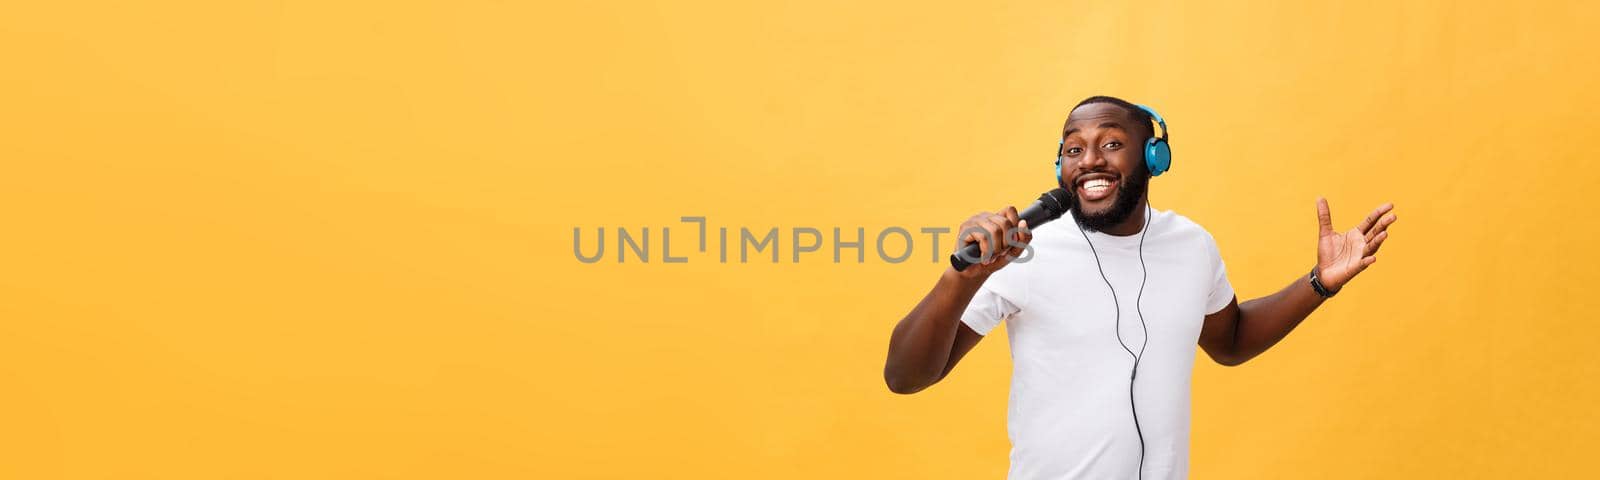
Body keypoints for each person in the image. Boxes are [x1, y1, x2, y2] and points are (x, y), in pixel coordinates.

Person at [882, 95, 1398, 479]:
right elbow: (906, 376)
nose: (1089, 160)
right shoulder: (1020, 252)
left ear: (1154, 158)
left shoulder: (1192, 245)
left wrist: (1318, 284)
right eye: (1073, 149)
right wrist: (959, 279)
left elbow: (1232, 340)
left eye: (1111, 143)